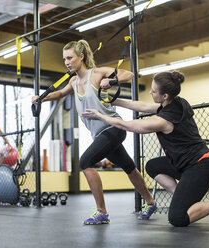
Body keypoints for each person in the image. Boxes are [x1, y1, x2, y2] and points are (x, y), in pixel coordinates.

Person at [82, 71, 209, 227]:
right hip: (184, 164)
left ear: (165, 95)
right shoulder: (177, 102)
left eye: (154, 91)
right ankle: (182, 198)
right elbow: (142, 106)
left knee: (178, 219)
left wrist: (99, 115)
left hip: (201, 167)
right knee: (152, 166)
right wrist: (113, 101)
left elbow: (125, 125)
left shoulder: (163, 121)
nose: (151, 94)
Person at [31, 39, 156, 225]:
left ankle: (102, 212)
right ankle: (150, 202)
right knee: (128, 166)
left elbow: (128, 74)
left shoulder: (96, 74)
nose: (66, 62)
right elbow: (59, 93)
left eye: (70, 58)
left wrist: (110, 80)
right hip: (99, 134)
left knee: (85, 161)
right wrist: (40, 98)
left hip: (114, 127)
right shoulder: (73, 81)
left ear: (81, 57)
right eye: (64, 59)